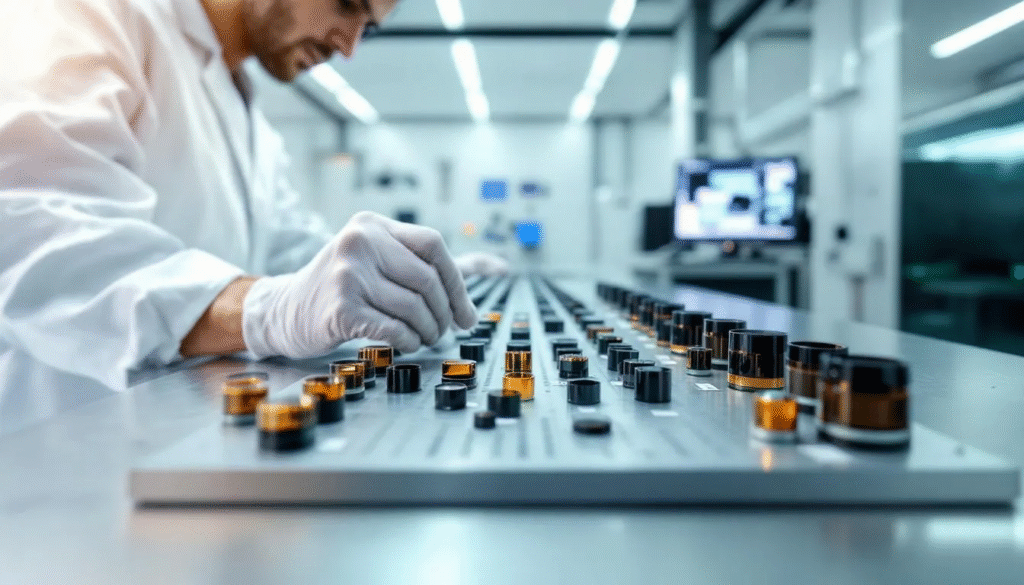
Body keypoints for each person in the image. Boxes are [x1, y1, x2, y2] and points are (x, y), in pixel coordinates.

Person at [0, 0, 506, 429]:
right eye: (348, 1)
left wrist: (398, 280)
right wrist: (261, 312)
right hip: (58, 454)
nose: (348, 46)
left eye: (368, 26)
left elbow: (290, 252)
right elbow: (31, 233)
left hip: (181, 460)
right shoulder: (92, 14)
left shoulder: (248, 112)